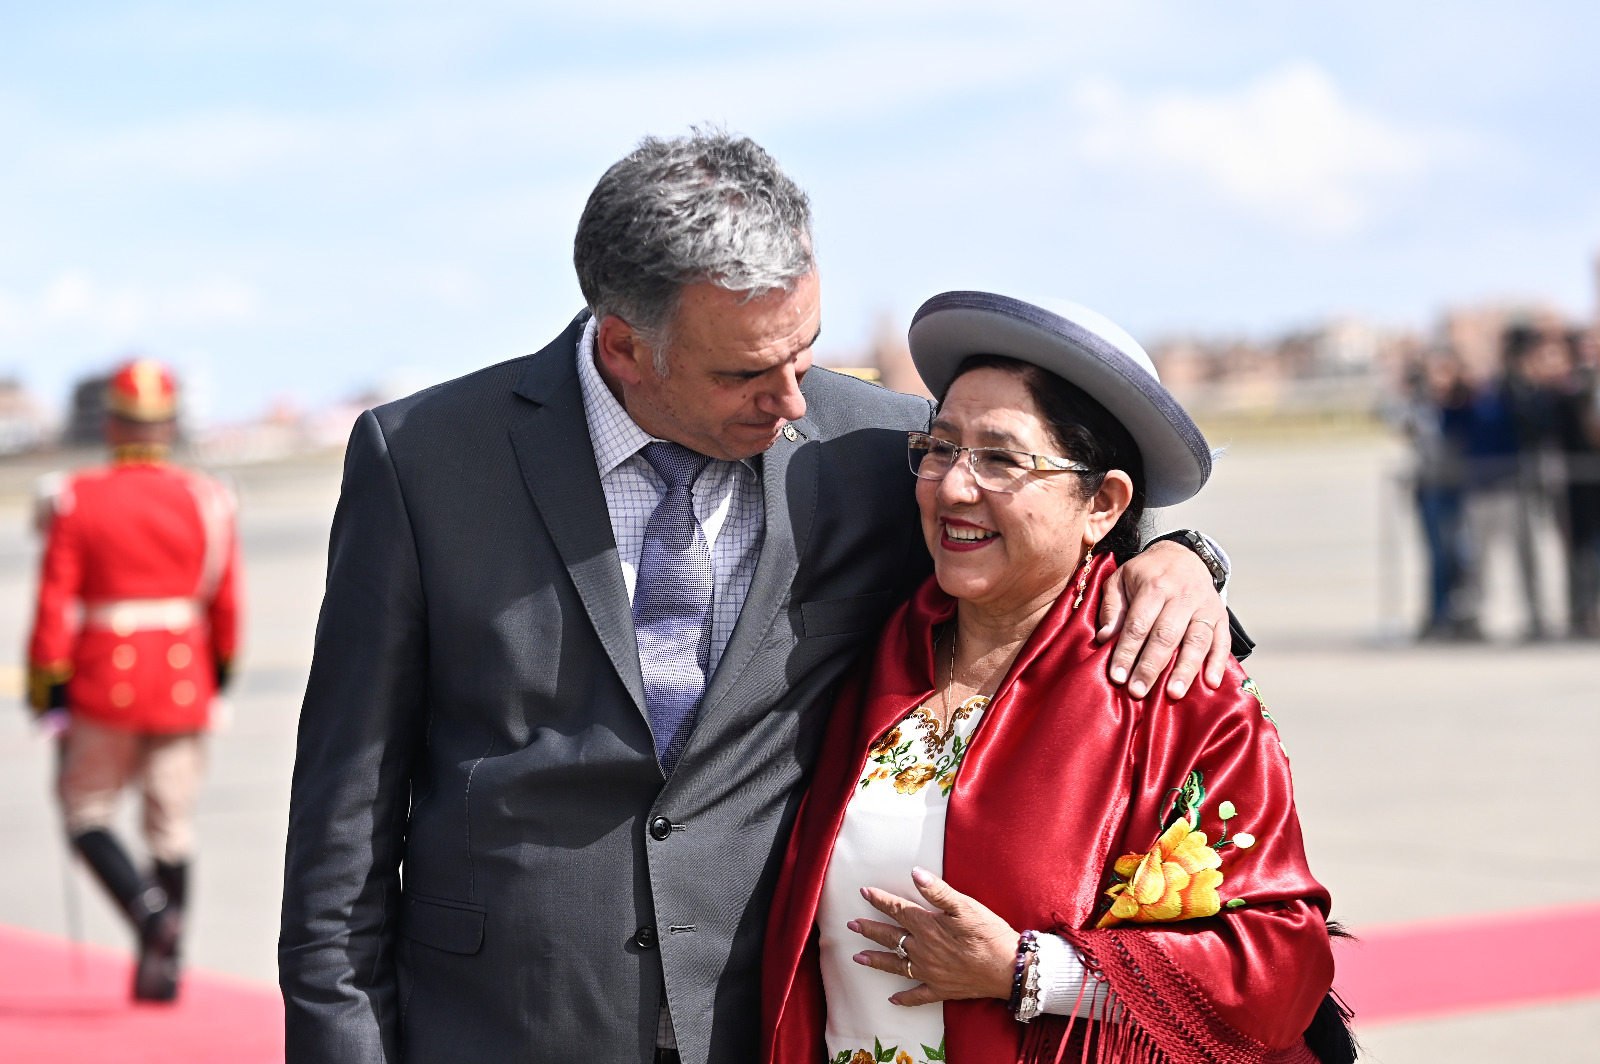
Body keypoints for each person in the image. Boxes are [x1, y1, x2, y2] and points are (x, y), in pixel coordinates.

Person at [279, 132, 1238, 1064]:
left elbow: (1060, 523)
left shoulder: (874, 448)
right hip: (500, 1031)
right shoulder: (427, 463)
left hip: (762, 1029)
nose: (792, 401)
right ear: (625, 347)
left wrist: (1184, 557)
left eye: (805, 351)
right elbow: (340, 844)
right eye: (744, 373)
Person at [762, 293, 1350, 1064]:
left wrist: (1030, 972)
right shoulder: (877, 649)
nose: (954, 486)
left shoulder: (1176, 692)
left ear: (1102, 502)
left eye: (1002, 459)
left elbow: (1279, 968)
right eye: (941, 447)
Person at [27, 359, 241, 1001]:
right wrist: (217, 676)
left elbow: (53, 605)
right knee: (171, 824)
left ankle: (150, 917)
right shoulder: (208, 498)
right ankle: (165, 969)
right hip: (183, 678)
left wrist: (48, 687)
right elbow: (227, 605)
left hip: (104, 682)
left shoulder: (75, 497)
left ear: (113, 425)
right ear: (169, 426)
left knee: (86, 810)